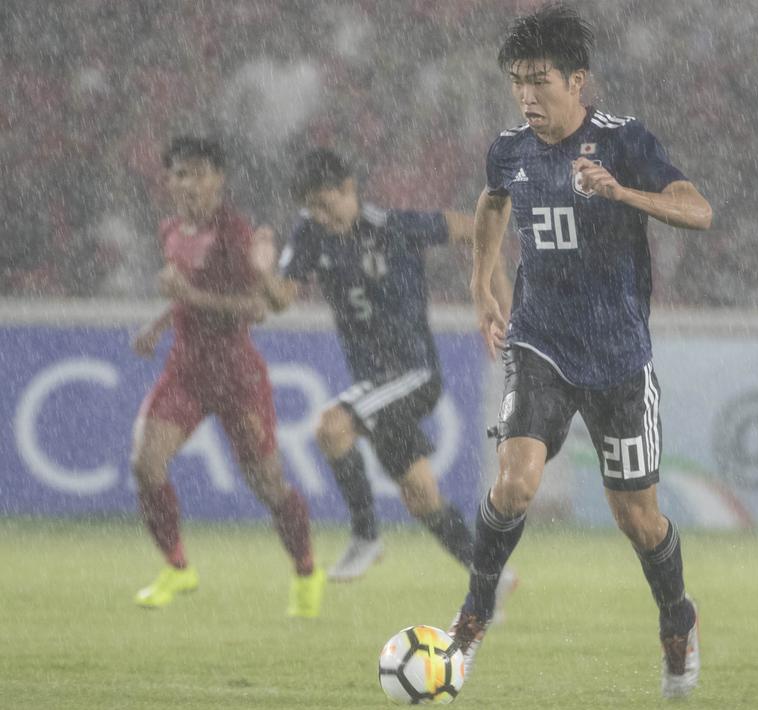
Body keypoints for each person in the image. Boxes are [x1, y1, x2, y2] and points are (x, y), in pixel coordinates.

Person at [452, 3, 713, 699]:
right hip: (539, 340)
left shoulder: (623, 141)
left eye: (539, 80)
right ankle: (472, 617)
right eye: (517, 81)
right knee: (515, 484)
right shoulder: (510, 150)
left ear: (577, 81)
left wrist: (622, 193)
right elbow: (492, 203)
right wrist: (482, 283)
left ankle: (677, 619)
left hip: (618, 359)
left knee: (638, 520)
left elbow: (698, 210)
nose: (526, 95)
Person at [254, 148, 515, 592]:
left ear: (349, 189)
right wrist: (261, 271)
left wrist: (497, 299)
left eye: (326, 204)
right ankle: (491, 576)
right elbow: (280, 299)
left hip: (414, 373)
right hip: (376, 384)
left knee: (331, 427)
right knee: (422, 496)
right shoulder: (311, 232)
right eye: (312, 208)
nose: (321, 216)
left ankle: (366, 536)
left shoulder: (392, 226)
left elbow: (474, 228)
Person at [130, 135, 324, 617]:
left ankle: (306, 570)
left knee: (269, 485)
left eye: (199, 173)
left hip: (236, 377)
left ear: (218, 179)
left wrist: (189, 297)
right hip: (186, 371)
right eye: (180, 174)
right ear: (169, 182)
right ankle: (177, 567)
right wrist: (159, 324)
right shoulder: (170, 229)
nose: (189, 184)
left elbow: (256, 309)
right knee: (146, 463)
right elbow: (187, 293)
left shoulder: (236, 233)